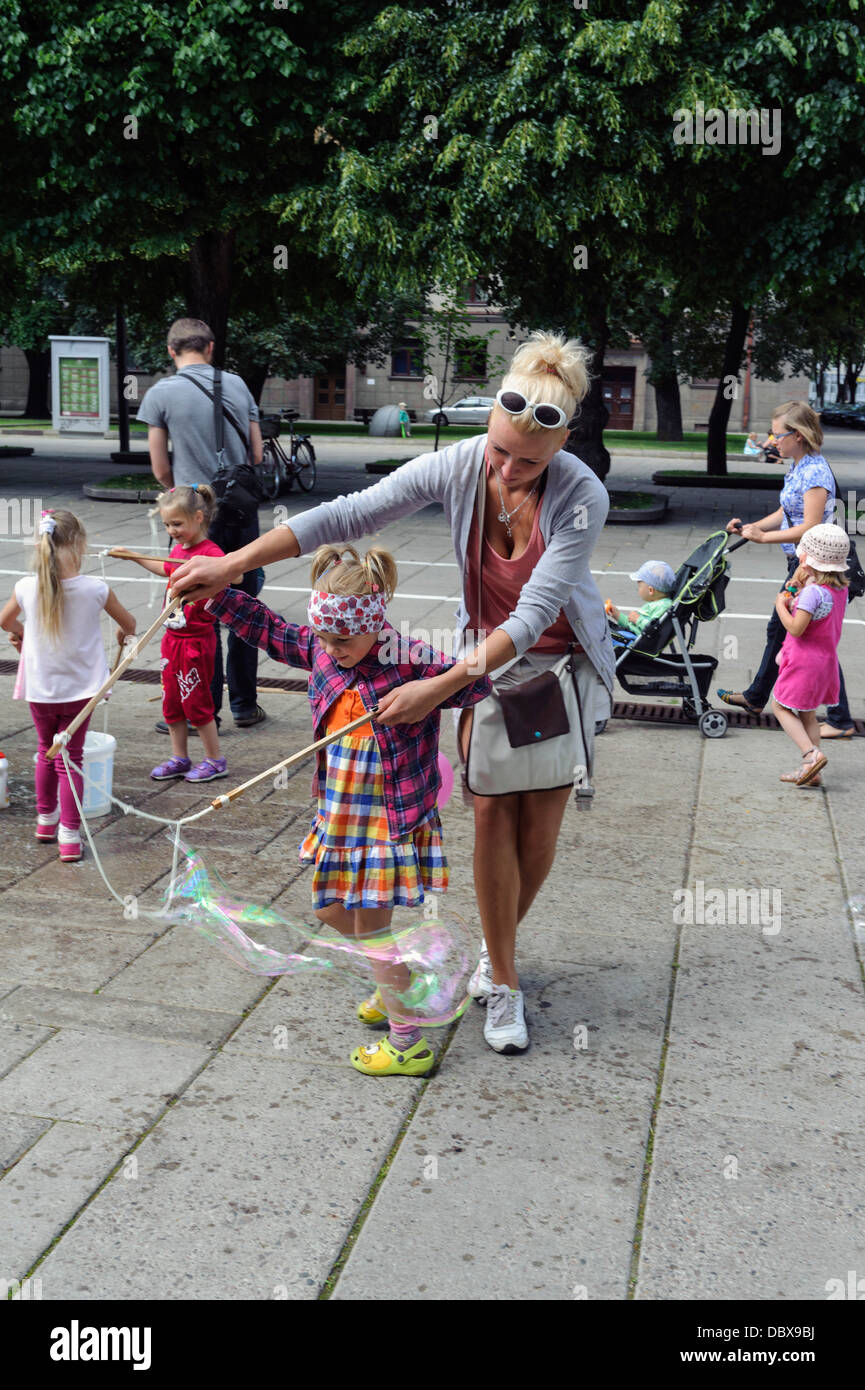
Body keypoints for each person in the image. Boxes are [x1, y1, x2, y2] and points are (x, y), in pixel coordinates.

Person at [169, 330, 614, 1056]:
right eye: (497, 449)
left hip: (559, 667)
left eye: (526, 461)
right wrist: (234, 565)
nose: (503, 469)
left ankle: (493, 949)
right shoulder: (464, 463)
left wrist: (436, 685)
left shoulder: (579, 493)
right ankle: (501, 980)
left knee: (539, 831)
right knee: (492, 814)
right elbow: (350, 514)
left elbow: (535, 614)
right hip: (482, 665)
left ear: (560, 446)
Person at [205, 543, 491, 1075]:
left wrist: (432, 689)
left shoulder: (410, 658)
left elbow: (478, 682)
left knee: (374, 930)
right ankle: (396, 978)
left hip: (386, 821)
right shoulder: (320, 647)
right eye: (325, 638)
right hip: (339, 814)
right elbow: (270, 630)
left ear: (375, 625)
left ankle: (408, 1045)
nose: (332, 650)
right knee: (328, 911)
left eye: (344, 640)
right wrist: (218, 594)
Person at [136, 316, 267, 730]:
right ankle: (245, 704)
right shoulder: (237, 385)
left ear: (171, 352)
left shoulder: (160, 394)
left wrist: (182, 499)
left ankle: (201, 707)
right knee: (243, 606)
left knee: (195, 608)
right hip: (241, 514)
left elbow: (160, 467)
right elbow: (257, 454)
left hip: (194, 519)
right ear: (210, 347)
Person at [0, 509, 137, 861]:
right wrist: (124, 633)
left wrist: (21, 636)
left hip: (41, 689)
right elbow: (130, 623)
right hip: (81, 692)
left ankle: (46, 821)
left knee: (47, 750)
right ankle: (70, 837)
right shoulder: (95, 589)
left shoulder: (26, 586)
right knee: (70, 759)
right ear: (79, 545)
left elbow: (5, 621)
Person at [717, 401, 853, 734]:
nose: (772, 441)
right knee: (792, 633)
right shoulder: (797, 466)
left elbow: (809, 525)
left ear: (800, 435)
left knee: (799, 633)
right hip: (801, 562)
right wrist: (752, 528)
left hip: (815, 566)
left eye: (778, 435)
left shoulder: (815, 474)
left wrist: (764, 538)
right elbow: (784, 513)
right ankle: (758, 695)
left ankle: (838, 718)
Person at [108, 485, 227, 783]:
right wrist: (133, 556)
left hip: (196, 642)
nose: (171, 530)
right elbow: (164, 568)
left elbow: (227, 580)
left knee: (197, 702)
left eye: (177, 524)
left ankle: (215, 759)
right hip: (172, 639)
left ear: (198, 517)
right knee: (172, 702)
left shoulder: (211, 554)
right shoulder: (179, 550)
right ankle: (180, 757)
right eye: (166, 525)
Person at [772, 524, 850, 787]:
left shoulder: (812, 595)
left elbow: (796, 628)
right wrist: (797, 587)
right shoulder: (839, 590)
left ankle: (811, 754)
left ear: (807, 559)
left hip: (803, 662)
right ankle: (812, 771)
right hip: (824, 662)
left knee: (780, 706)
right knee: (807, 714)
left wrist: (781, 606)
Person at [606, 560, 676, 640]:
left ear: (650, 590)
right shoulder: (655, 603)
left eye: (639, 586)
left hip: (634, 639)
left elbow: (654, 629)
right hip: (631, 634)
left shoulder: (663, 606)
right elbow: (631, 625)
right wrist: (617, 615)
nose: (638, 589)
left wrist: (638, 620)